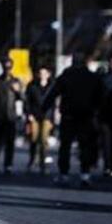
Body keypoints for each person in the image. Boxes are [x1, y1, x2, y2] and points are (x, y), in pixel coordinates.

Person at [42, 53, 104, 188]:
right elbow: (100, 96)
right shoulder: (92, 77)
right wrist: (97, 113)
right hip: (86, 116)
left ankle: (64, 174)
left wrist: (43, 109)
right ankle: (85, 174)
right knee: (85, 146)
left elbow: (53, 93)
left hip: (69, 115)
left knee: (65, 146)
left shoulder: (66, 76)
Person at [25, 66, 54, 174]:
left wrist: (52, 119)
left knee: (43, 140)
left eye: (44, 73)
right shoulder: (32, 85)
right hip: (34, 115)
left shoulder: (52, 86)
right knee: (34, 138)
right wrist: (29, 114)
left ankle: (43, 163)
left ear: (48, 74)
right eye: (40, 73)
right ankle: (32, 160)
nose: (42, 75)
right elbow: (27, 101)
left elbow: (53, 103)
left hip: (47, 116)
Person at [0, 58, 21, 174]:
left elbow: (21, 98)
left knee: (10, 142)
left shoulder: (16, 81)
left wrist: (18, 91)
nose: (7, 70)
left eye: (9, 67)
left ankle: (8, 164)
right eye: (5, 67)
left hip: (10, 116)